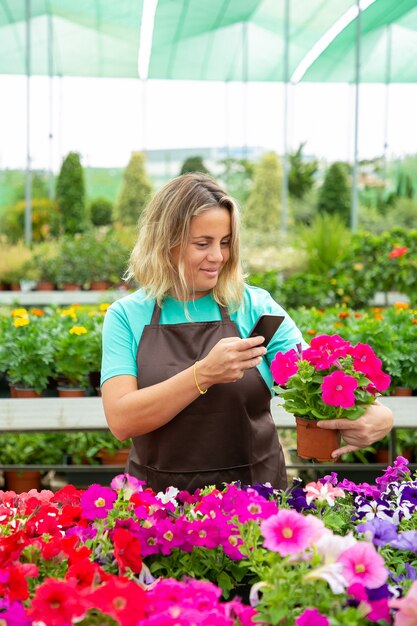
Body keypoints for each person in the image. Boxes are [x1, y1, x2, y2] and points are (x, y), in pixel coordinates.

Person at [101, 173, 393, 493]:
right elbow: (121, 420)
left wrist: (379, 414)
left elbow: (316, 376)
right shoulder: (127, 316)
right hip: (158, 505)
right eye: (203, 243)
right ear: (165, 243)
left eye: (225, 243)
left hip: (253, 499)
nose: (218, 256)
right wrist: (204, 374)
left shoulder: (254, 307)